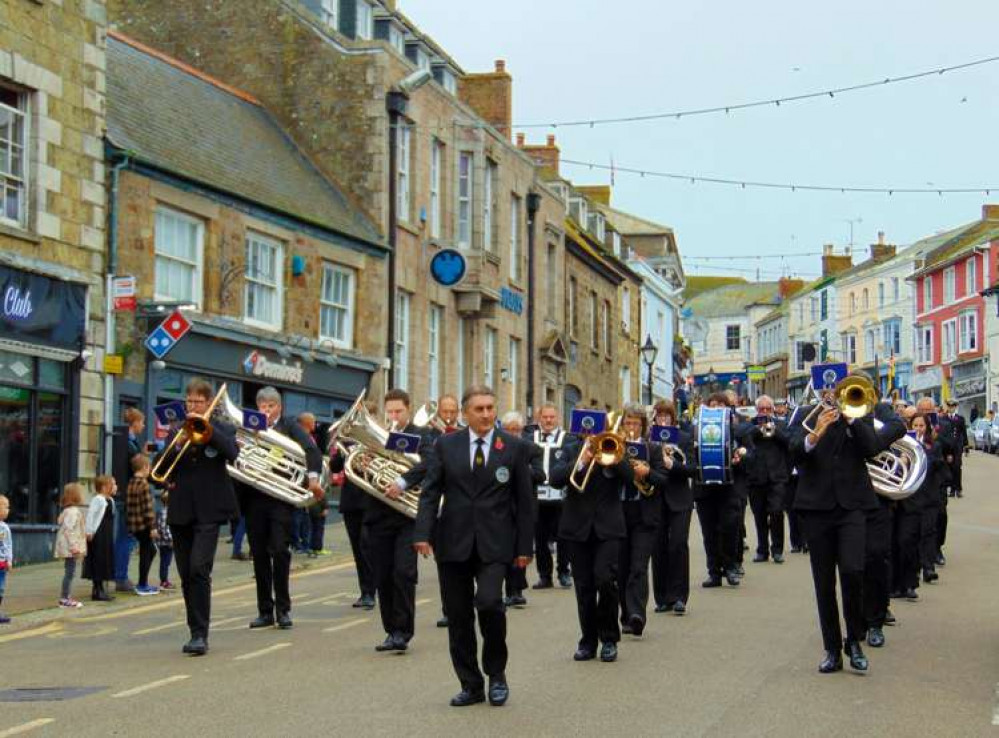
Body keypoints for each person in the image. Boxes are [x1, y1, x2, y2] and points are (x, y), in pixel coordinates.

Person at [414, 385, 534, 707]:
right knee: (458, 616)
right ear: (466, 413)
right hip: (453, 542)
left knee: (491, 603)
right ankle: (471, 684)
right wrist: (422, 533)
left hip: (496, 544)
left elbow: (525, 501)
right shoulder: (445, 445)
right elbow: (430, 491)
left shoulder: (513, 447)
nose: (486, 414)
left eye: (490, 408)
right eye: (479, 409)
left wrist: (525, 547)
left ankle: (497, 675)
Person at [789, 374, 899, 673]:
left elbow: (873, 447)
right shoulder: (804, 414)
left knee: (853, 571)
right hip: (816, 507)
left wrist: (851, 420)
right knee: (824, 582)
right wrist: (815, 435)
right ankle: (832, 649)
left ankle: (854, 641)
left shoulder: (858, 413)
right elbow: (794, 451)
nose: (832, 393)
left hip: (852, 506)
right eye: (828, 388)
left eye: (836, 388)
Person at [161, 378, 240, 656]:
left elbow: (233, 453)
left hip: (210, 510)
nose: (192, 406)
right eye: (189, 401)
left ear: (208, 403)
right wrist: (175, 444)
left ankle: (201, 634)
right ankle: (193, 629)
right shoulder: (176, 432)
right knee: (185, 574)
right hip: (181, 511)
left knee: (199, 569)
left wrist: (209, 435)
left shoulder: (221, 428)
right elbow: (160, 473)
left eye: (197, 401)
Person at [549, 413, 631, 665]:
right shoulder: (570, 448)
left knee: (605, 581)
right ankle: (588, 641)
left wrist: (611, 458)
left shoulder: (614, 445)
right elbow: (555, 478)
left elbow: (629, 478)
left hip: (608, 528)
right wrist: (582, 460)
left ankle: (609, 639)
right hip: (576, 528)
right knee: (584, 587)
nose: (591, 432)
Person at [240, 387, 323, 630]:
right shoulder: (249, 425)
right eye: (262, 406)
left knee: (279, 551)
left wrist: (313, 478)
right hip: (255, 497)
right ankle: (264, 610)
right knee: (259, 554)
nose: (265, 410)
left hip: (280, 499)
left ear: (279, 408)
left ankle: (283, 610)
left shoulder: (289, 426)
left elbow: (311, 448)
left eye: (270, 406)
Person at [374, 389, 435, 652]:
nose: (394, 416)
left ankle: (403, 631)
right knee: (383, 576)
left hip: (408, 516)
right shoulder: (379, 436)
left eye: (398, 411)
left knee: (403, 573)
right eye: (390, 412)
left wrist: (403, 480)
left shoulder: (422, 435)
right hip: (378, 516)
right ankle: (391, 631)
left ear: (408, 409)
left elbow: (431, 463)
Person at [617, 404, 668, 637]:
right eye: (628, 423)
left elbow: (663, 481)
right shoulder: (615, 447)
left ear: (643, 426)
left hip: (644, 514)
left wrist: (647, 473)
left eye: (636, 423)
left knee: (638, 566)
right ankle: (625, 614)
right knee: (621, 568)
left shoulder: (653, 450)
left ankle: (637, 614)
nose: (632, 427)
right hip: (618, 513)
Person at [862, 401, 907, 648]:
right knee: (853, 564)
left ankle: (875, 622)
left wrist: (871, 440)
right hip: (848, 500)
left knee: (877, 557)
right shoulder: (836, 413)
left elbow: (898, 426)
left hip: (878, 500)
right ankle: (858, 620)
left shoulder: (881, 411)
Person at [328, 398, 378, 610]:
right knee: (357, 547)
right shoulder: (347, 441)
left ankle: (374, 588)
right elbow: (335, 467)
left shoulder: (377, 440)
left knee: (368, 545)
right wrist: (339, 452)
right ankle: (365, 591)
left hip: (371, 498)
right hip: (351, 500)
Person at [650, 400, 696, 616]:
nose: (663, 420)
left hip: (680, 499)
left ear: (673, 418)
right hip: (655, 499)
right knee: (658, 547)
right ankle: (662, 598)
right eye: (659, 416)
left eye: (667, 416)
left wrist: (672, 464)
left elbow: (692, 469)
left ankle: (679, 597)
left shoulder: (684, 438)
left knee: (678, 545)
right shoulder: (649, 439)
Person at [694, 393, 745, 588]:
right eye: (712, 405)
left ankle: (731, 567)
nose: (716, 409)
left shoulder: (737, 431)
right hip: (704, 489)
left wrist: (741, 456)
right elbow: (692, 455)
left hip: (728, 488)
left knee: (730, 528)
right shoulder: (697, 429)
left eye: (721, 406)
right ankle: (714, 573)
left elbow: (751, 454)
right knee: (709, 533)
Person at [530, 403, 573, 590]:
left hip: (560, 496)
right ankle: (544, 575)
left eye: (552, 417)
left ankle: (563, 572)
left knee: (563, 537)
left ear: (557, 418)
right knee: (540, 538)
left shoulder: (568, 439)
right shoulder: (530, 437)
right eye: (545, 417)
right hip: (537, 495)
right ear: (540, 418)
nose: (548, 420)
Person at [744, 395, 791, 564]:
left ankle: (777, 549)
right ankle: (762, 550)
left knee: (777, 512)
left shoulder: (781, 425)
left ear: (772, 410)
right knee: (759, 515)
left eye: (767, 409)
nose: (764, 412)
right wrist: (758, 429)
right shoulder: (750, 427)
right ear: (757, 411)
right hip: (756, 478)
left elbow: (788, 442)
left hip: (777, 476)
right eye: (761, 410)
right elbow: (745, 439)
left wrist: (774, 430)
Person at [499, 411, 536, 609]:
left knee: (520, 547)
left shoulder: (530, 448)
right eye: (509, 430)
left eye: (517, 430)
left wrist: (523, 470)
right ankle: (507, 590)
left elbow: (541, 473)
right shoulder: (497, 447)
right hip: (501, 505)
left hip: (522, 504)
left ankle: (517, 590)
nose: (513, 433)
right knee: (504, 549)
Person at [116, 407, 146, 593]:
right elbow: (135, 469)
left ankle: (120, 574)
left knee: (125, 537)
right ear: (134, 423)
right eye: (142, 422)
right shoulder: (129, 444)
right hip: (131, 496)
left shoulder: (129, 442)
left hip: (126, 495)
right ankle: (121, 576)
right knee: (126, 537)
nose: (143, 426)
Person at [126, 454, 160, 595]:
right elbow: (147, 508)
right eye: (149, 467)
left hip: (134, 523)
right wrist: (152, 527)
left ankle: (143, 582)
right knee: (147, 551)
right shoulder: (144, 484)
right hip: (144, 524)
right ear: (145, 467)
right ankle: (142, 584)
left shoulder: (132, 481)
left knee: (150, 550)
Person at [83, 475, 117, 602]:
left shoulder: (111, 500)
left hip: (107, 535)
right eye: (113, 484)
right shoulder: (98, 499)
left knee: (105, 560)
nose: (115, 487)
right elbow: (91, 515)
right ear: (104, 487)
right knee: (98, 560)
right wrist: (89, 531)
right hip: (98, 534)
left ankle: (101, 588)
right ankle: (97, 590)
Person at [54, 483, 88, 608]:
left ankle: (65, 597)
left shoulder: (67, 511)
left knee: (70, 572)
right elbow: (69, 530)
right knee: (70, 573)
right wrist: (74, 546)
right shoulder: (73, 512)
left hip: (68, 547)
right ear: (76, 496)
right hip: (70, 548)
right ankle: (65, 598)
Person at [156, 491, 175, 590]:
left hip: (163, 542)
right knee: (165, 562)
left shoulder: (162, 511)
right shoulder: (166, 513)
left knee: (165, 562)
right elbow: (164, 528)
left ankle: (164, 580)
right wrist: (171, 540)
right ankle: (164, 581)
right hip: (166, 543)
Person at [0, 494, 12, 623]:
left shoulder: (5, 528)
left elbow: (9, 545)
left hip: (2, 563)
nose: (8, 510)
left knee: (1, 588)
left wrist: (9, 560)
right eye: (6, 507)